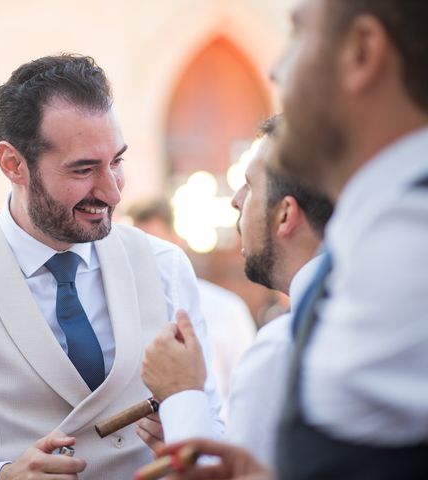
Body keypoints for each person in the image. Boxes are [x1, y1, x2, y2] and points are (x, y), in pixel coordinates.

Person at [0, 53, 224, 480]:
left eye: (116, 161)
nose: (111, 192)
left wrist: (185, 438)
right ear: (13, 164)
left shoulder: (165, 266)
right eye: (84, 169)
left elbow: (212, 424)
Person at [155, 0, 428, 478]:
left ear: (362, 51)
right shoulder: (374, 237)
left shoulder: (403, 249)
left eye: (300, 34)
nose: (275, 69)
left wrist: (183, 400)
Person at [138, 115, 333, 466]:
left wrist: (182, 396)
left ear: (285, 214)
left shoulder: (284, 351)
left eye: (249, 185)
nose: (236, 200)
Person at [126, 199, 256, 417]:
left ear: (176, 243)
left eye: (155, 246)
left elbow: (248, 389)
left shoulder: (226, 308)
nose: (145, 258)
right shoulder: (120, 310)